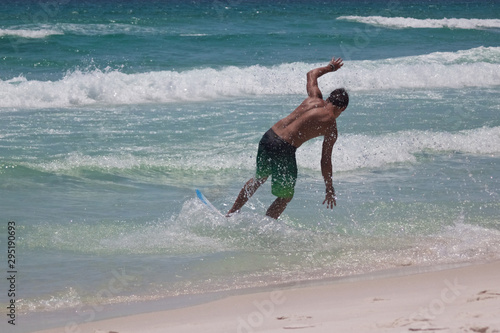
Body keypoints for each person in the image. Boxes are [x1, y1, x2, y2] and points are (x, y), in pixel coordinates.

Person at [227, 57, 349, 219]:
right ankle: (267, 225)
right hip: (283, 148)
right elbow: (325, 161)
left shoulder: (314, 98)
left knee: (259, 178)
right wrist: (329, 188)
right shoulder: (331, 127)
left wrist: (331, 67)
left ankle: (231, 213)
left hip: (269, 136)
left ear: (328, 99)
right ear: (343, 108)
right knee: (285, 196)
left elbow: (311, 74)